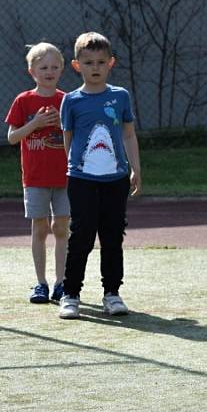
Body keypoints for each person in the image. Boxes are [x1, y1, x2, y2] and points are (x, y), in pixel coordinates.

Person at [57, 32, 142, 319]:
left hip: (115, 181)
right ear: (76, 65)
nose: (95, 67)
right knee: (81, 235)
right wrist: (74, 170)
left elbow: (128, 135)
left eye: (101, 62)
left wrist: (135, 168)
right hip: (82, 181)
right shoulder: (71, 101)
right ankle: (70, 294)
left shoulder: (120, 97)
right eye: (88, 62)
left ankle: (112, 293)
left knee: (112, 236)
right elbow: (68, 139)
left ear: (111, 63)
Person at [5, 42, 69, 304]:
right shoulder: (24, 101)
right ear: (32, 71)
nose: (49, 71)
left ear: (62, 69)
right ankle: (41, 283)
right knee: (40, 229)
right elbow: (12, 137)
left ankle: (62, 283)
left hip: (65, 177)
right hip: (35, 179)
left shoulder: (66, 100)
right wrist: (36, 123)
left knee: (62, 227)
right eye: (43, 67)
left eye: (54, 67)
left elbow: (74, 137)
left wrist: (61, 124)